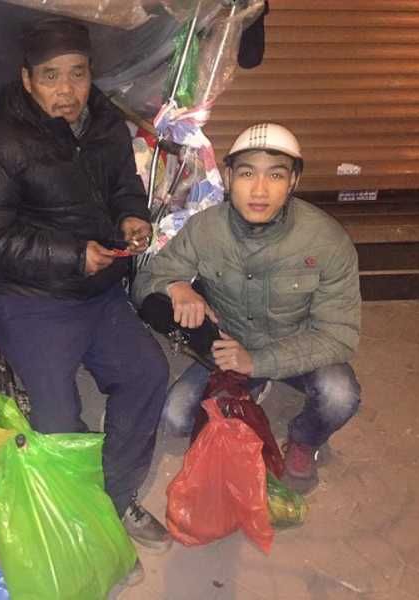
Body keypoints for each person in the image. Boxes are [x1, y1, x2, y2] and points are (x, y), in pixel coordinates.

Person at [0, 17, 172, 579]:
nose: (66, 90)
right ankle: (80, 518)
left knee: (148, 375)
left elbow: (126, 187)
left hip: (98, 293)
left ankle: (111, 500)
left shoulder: (106, 124)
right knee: (59, 417)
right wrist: (73, 255)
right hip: (29, 299)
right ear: (27, 79)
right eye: (51, 76)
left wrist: (132, 217)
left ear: (90, 74)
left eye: (77, 74)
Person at [136, 123, 361, 493]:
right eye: (246, 174)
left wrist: (257, 363)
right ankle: (250, 389)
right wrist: (176, 286)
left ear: (293, 181)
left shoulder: (327, 241)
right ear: (228, 177)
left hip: (299, 347)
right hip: (230, 345)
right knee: (176, 418)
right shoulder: (205, 228)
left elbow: (338, 337)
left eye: (276, 175)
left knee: (340, 396)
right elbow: (146, 280)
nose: (259, 190)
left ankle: (304, 439)